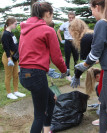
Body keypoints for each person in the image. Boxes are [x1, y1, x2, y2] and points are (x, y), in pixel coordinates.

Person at [71, 0, 107, 132]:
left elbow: (94, 53)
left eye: (91, 10)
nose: (92, 13)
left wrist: (84, 65)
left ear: (97, 7)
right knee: (103, 105)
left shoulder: (102, 24)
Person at [18, 2, 67, 133]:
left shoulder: (24, 29)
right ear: (47, 14)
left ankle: (47, 130)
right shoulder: (48, 30)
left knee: (51, 99)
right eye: (52, 15)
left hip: (23, 74)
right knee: (39, 115)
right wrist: (64, 71)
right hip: (36, 75)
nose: (52, 17)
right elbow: (57, 57)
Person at [1, 17, 26, 100]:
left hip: (14, 56)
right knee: (8, 76)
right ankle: (9, 93)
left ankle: (16, 91)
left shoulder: (11, 33)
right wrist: (8, 58)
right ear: (10, 24)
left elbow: (14, 44)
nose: (16, 25)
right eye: (15, 24)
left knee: (16, 75)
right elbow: (6, 47)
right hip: (8, 57)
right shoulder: (5, 34)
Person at [57, 11, 79, 81]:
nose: (71, 19)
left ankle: (76, 73)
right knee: (67, 59)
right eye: (70, 18)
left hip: (75, 42)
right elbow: (58, 32)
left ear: (74, 17)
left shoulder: (77, 24)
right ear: (68, 17)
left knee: (76, 58)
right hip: (67, 42)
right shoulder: (64, 24)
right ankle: (68, 75)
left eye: (72, 18)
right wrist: (61, 40)